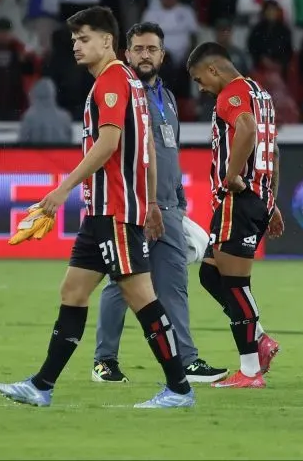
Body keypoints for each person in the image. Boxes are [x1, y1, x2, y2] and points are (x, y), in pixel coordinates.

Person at [0, 6, 195, 409]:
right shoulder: (131, 83)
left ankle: (179, 388)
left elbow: (108, 144)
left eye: (84, 38)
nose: (76, 46)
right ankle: (42, 385)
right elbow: (147, 147)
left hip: (115, 210)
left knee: (141, 297)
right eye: (74, 39)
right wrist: (151, 202)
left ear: (107, 41)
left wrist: (62, 190)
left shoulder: (112, 81)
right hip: (104, 212)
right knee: (73, 290)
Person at [92, 22, 228, 384]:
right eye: (138, 49)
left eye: (151, 49)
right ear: (126, 54)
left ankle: (187, 361)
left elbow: (170, 151)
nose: (145, 55)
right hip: (133, 205)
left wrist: (178, 199)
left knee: (174, 285)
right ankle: (104, 361)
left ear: (163, 55)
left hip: (167, 207)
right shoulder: (120, 92)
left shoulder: (166, 97)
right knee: (122, 284)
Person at [186, 41, 285, 388]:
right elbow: (272, 151)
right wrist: (271, 200)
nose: (201, 88)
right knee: (210, 275)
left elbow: (246, 128)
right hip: (257, 198)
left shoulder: (231, 94)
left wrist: (231, 175)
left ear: (213, 69)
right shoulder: (262, 95)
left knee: (236, 286)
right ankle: (259, 339)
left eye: (200, 79)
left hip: (237, 200)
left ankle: (250, 370)